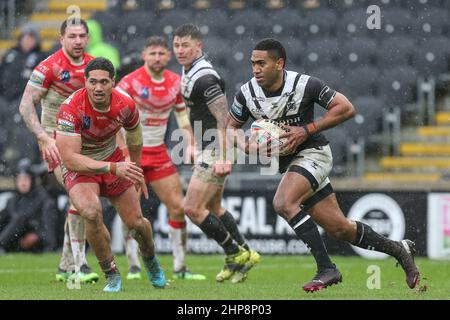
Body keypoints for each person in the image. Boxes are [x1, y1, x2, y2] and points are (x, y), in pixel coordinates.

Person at [226, 38, 420, 291]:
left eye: (262, 63)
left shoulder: (304, 85)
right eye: (253, 63)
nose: (256, 69)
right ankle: (400, 249)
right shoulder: (247, 93)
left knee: (283, 203)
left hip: (314, 153)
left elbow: (347, 108)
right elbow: (230, 127)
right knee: (340, 229)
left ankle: (327, 269)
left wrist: (306, 130)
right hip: (291, 163)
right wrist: (247, 146)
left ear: (279, 63)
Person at [55, 57, 166, 292]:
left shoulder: (125, 104)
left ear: (113, 82)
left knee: (136, 224)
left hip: (113, 161)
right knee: (90, 211)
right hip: (81, 166)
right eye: (92, 82)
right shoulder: (70, 108)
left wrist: (135, 170)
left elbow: (135, 137)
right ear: (85, 82)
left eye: (104, 82)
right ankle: (111, 273)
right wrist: (113, 167)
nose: (98, 88)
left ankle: (151, 261)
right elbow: (70, 159)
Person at [172, 24, 260, 284]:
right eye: (176, 45)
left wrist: (222, 157)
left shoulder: (205, 78)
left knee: (191, 208)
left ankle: (234, 253)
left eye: (185, 45)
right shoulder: (188, 69)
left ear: (199, 46)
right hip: (208, 145)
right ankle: (247, 252)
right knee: (213, 206)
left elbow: (224, 120)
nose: (180, 50)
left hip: (216, 147)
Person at [116, 36, 205, 281]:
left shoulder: (176, 83)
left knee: (178, 207)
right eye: (152, 53)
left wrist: (191, 144)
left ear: (168, 56)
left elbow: (183, 118)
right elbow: (115, 120)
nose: (157, 58)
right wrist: (122, 152)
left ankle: (180, 267)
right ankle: (134, 265)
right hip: (132, 155)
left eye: (161, 53)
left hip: (158, 153)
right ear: (144, 55)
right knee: (131, 212)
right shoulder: (130, 82)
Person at [18, 19, 99, 283]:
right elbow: (25, 104)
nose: (77, 41)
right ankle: (79, 265)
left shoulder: (93, 66)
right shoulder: (49, 66)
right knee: (83, 198)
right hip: (57, 144)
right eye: (72, 36)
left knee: (83, 202)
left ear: (87, 38)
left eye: (82, 36)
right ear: (61, 38)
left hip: (86, 143)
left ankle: (65, 265)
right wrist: (42, 137)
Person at [0, 158, 58, 254]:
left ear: (32, 180)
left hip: (38, 242)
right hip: (15, 241)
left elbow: (48, 225)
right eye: (20, 179)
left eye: (26, 179)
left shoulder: (43, 198)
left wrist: (37, 235)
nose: (23, 183)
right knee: (17, 219)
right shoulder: (12, 200)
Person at [0, 24, 44, 101]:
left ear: (36, 41)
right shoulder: (10, 53)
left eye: (31, 39)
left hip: (25, 97)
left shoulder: (41, 57)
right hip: (4, 95)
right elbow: (2, 71)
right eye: (25, 38)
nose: (27, 42)